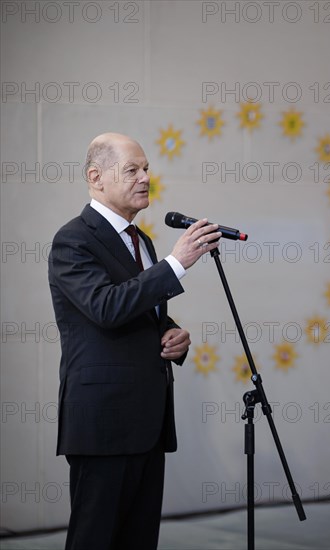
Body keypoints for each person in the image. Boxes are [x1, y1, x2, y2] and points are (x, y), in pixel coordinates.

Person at [48, 132, 221, 550]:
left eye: (146, 169)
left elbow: (137, 308)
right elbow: (104, 307)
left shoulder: (140, 239)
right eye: (133, 170)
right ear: (96, 177)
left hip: (147, 421)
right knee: (95, 539)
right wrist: (176, 263)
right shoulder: (73, 239)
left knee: (139, 541)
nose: (146, 177)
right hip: (103, 422)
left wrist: (170, 332)